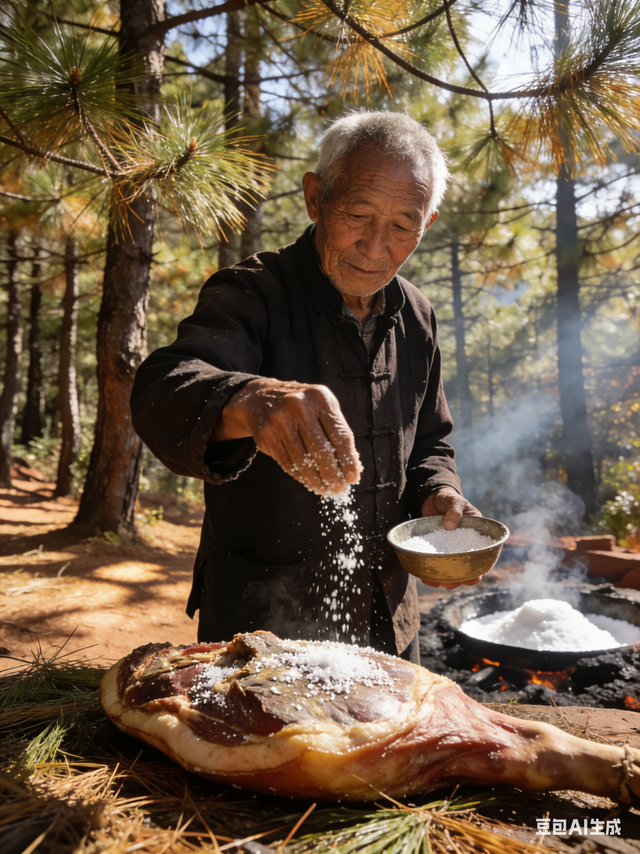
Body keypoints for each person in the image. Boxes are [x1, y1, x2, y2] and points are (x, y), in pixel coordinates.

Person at [130, 110, 480, 663]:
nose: (374, 246)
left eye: (402, 224)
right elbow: (162, 387)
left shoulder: (416, 315)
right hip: (262, 627)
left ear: (427, 222)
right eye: (359, 213)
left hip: (389, 618)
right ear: (316, 198)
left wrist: (440, 492)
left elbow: (430, 440)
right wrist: (248, 402)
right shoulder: (253, 292)